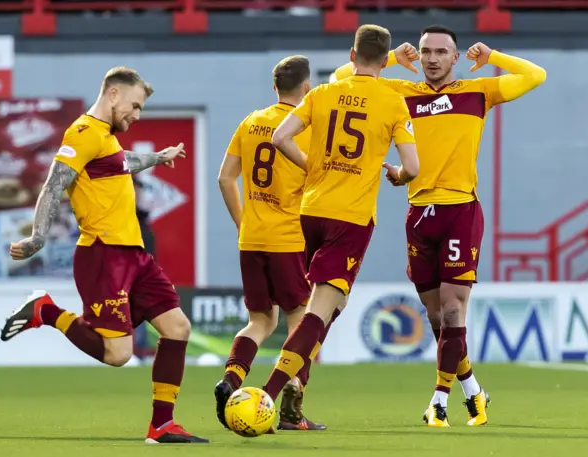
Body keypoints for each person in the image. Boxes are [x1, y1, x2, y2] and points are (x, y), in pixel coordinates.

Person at [333, 24, 547, 427]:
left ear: (455, 56)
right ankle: (473, 390)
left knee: (452, 310)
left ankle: (439, 401)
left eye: (441, 52)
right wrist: (395, 58)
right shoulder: (399, 93)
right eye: (426, 51)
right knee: (438, 319)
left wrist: (494, 59)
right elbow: (340, 78)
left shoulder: (477, 91)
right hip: (418, 213)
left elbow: (536, 76)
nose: (431, 59)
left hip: (460, 209)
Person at [0, 67, 208, 444]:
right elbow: (54, 183)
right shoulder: (82, 133)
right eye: (135, 106)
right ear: (113, 94)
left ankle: (161, 426)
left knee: (178, 328)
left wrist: (158, 157)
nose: (137, 115)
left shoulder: (105, 139)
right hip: (103, 255)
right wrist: (38, 236)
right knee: (118, 355)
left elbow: (123, 161)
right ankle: (45, 311)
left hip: (135, 255)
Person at [253, 24, 419, 405]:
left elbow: (279, 137)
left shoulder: (324, 92)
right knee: (321, 307)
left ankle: (297, 386)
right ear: (385, 60)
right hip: (350, 217)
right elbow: (412, 166)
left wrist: (310, 166)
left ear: (351, 55)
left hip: (310, 211)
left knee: (333, 305)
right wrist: (397, 176)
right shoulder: (393, 101)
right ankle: (269, 394)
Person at [215, 55, 332, 431]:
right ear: (306, 88)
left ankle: (231, 380)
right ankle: (291, 407)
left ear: (275, 87)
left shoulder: (251, 121)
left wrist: (243, 222)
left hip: (252, 238)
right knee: (305, 322)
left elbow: (224, 179)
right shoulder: (305, 127)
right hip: (288, 239)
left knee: (261, 321)